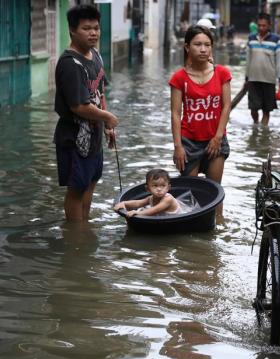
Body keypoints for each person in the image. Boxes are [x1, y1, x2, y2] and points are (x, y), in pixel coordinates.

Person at [53, 4, 118, 222]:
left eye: (96, 28)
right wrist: (107, 117)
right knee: (76, 189)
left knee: (91, 182)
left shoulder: (96, 55)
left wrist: (107, 125)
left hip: (94, 134)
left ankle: (84, 226)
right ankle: (75, 235)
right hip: (74, 137)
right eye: (86, 28)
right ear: (72, 30)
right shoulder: (70, 63)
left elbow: (100, 93)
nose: (93, 33)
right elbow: (78, 106)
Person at [169, 25, 231, 216]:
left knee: (215, 190)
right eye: (198, 44)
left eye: (207, 45)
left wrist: (218, 137)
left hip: (216, 139)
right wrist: (178, 146)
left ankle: (216, 229)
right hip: (188, 142)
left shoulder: (222, 73)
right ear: (187, 47)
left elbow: (226, 106)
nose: (203, 49)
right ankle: (191, 233)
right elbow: (175, 113)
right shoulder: (179, 78)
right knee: (190, 194)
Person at [245, 13, 280, 126]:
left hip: (269, 80)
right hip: (253, 79)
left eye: (264, 25)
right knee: (253, 108)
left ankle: (263, 131)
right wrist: (246, 78)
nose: (261, 28)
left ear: (269, 25)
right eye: (259, 25)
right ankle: (256, 125)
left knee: (266, 110)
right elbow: (248, 59)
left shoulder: (276, 40)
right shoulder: (251, 39)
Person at [113, 169, 184, 217]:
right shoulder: (151, 198)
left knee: (143, 210)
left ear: (168, 188)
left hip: (177, 219)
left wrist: (138, 213)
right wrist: (124, 203)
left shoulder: (168, 199)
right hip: (162, 219)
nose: (159, 189)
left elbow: (154, 210)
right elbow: (138, 203)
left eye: (163, 185)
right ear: (148, 189)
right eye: (155, 186)